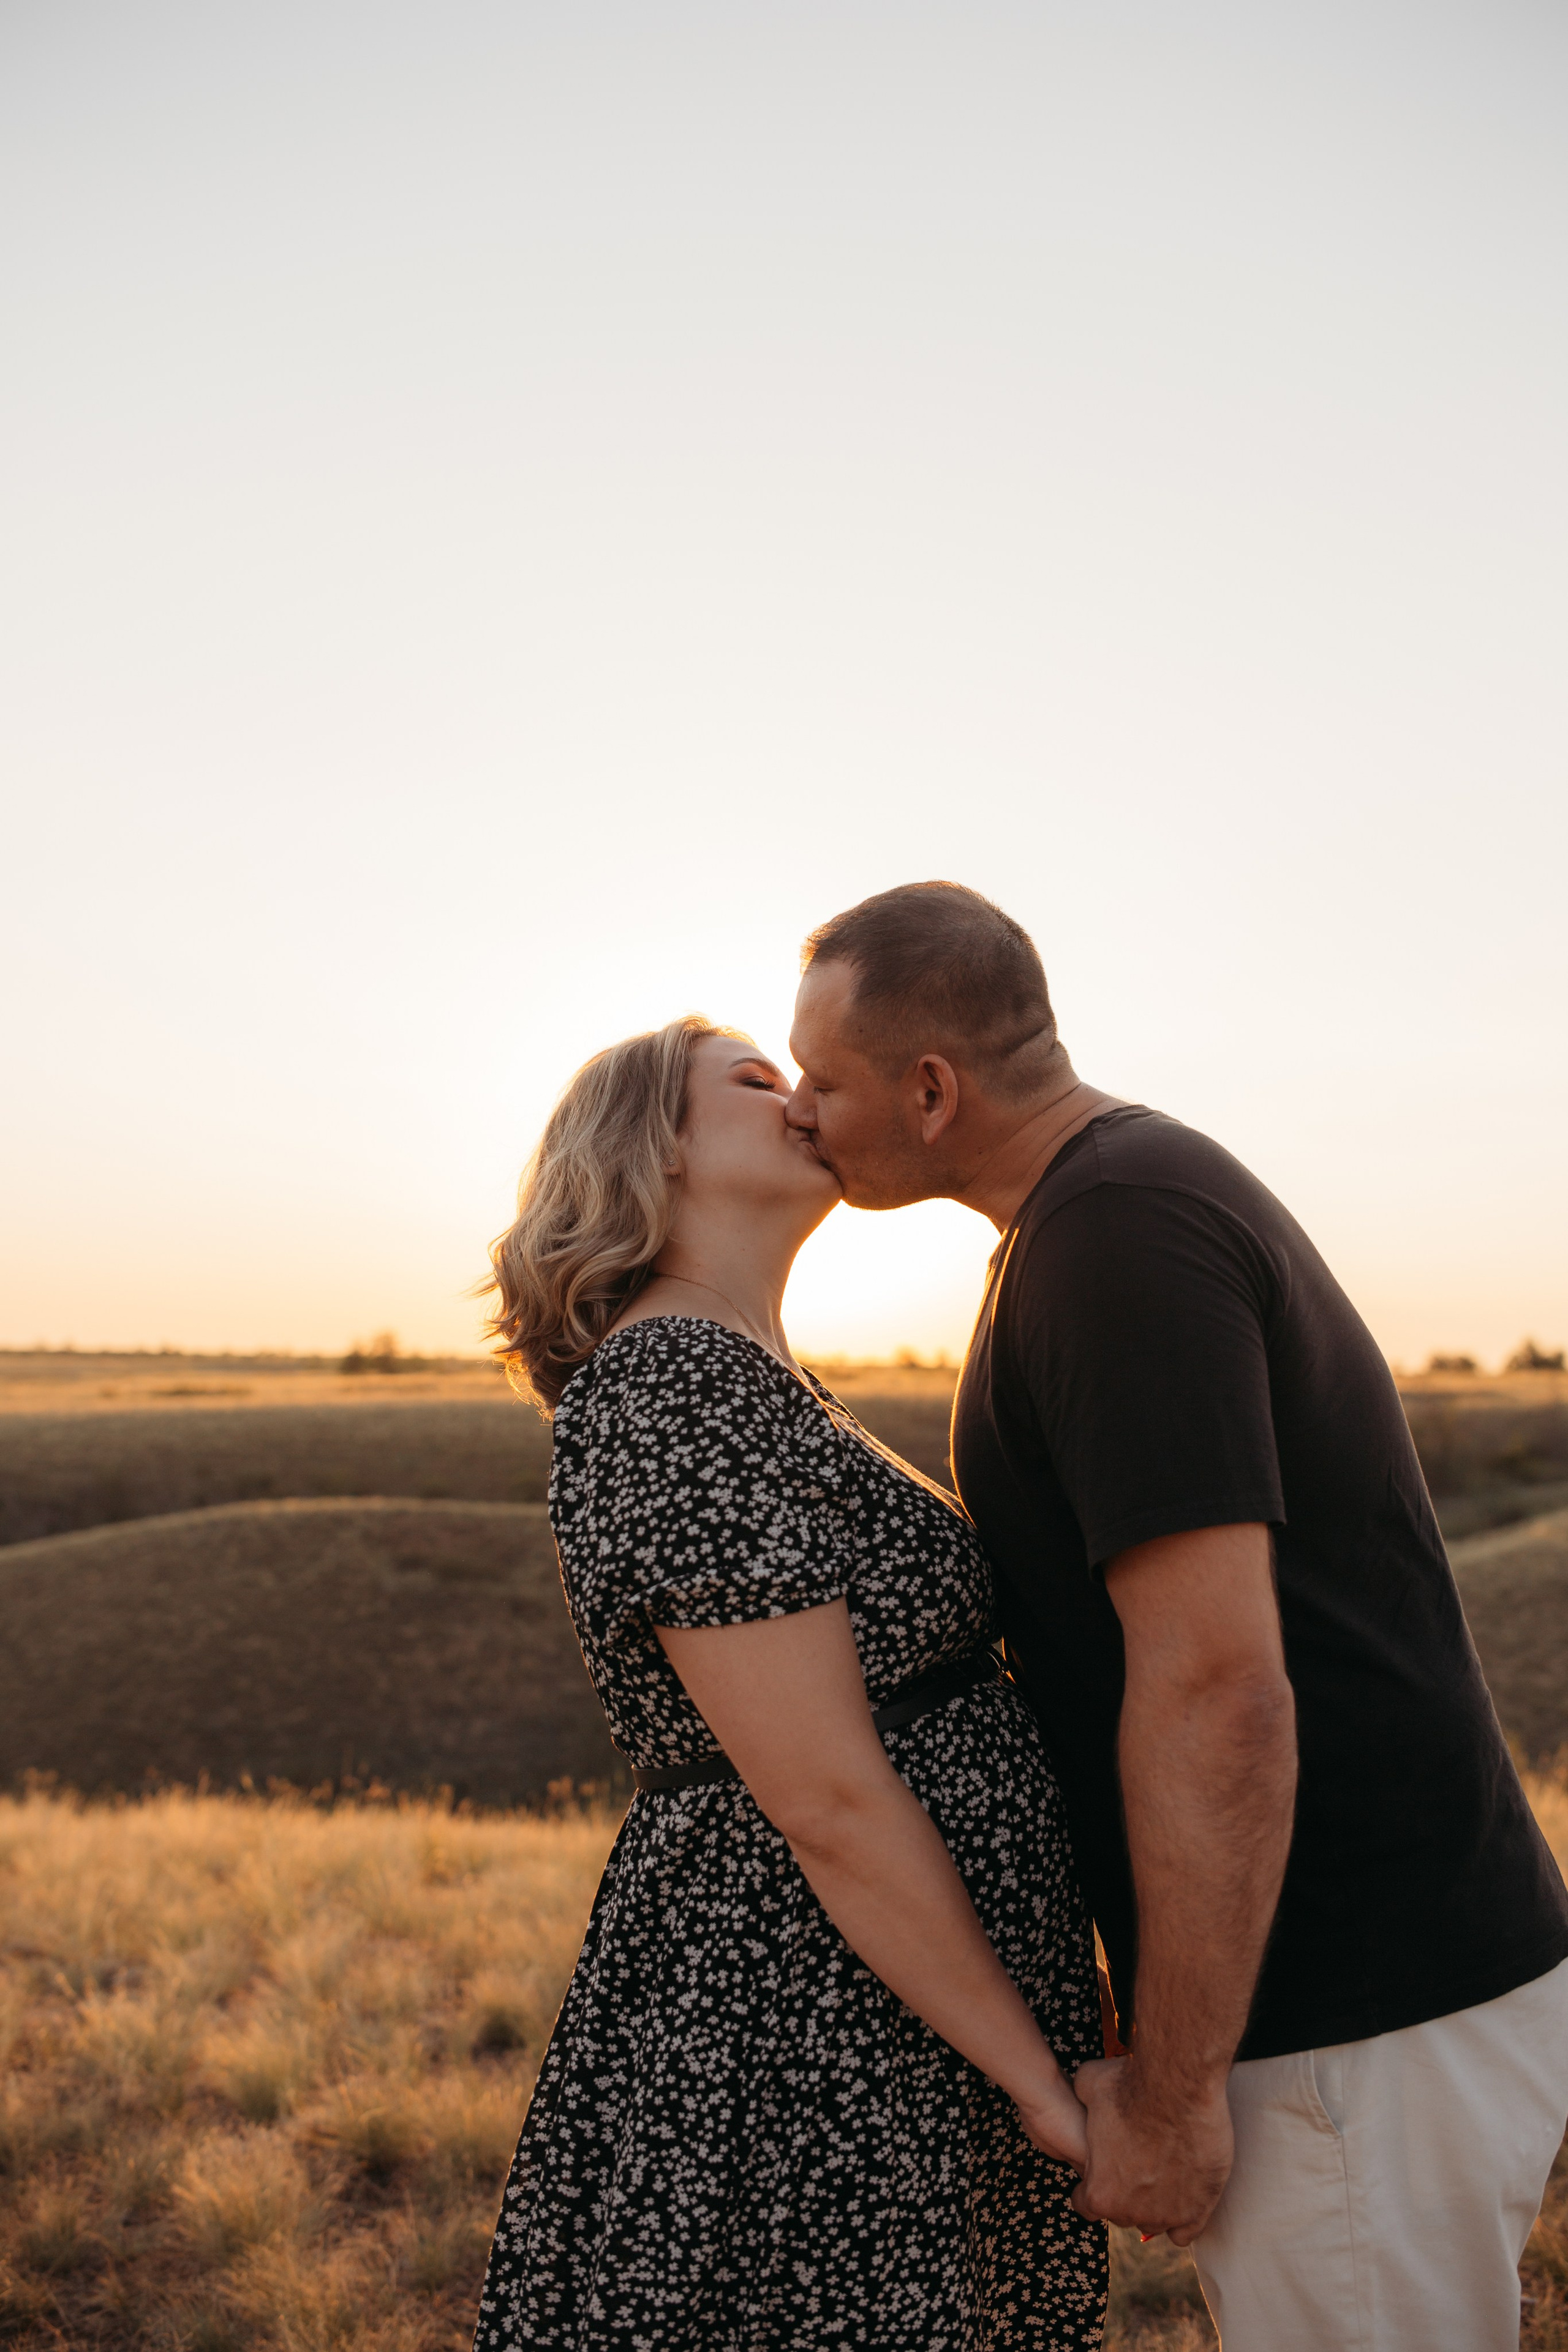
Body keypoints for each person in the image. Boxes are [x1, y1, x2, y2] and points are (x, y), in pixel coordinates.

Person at [785, 879, 1568, 2352]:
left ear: (932, 1088)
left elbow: (1217, 1686)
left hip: (1345, 2024)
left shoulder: (1113, 1243)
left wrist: (1173, 2087)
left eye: (824, 1082)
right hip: (1368, 2004)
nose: (804, 1115)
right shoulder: (1107, 1209)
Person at [470, 1014, 1107, 2351]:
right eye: (761, 1084)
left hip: (882, 1993)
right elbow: (824, 1791)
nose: (808, 1099)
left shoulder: (751, 1373)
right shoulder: (672, 1384)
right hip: (804, 2013)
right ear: (654, 1155)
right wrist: (1032, 2080)